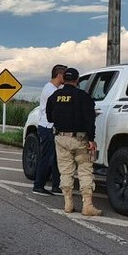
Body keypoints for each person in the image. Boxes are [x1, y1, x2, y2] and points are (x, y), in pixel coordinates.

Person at [45, 67, 102, 216]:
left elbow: (50, 117)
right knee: (85, 171)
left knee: (65, 172)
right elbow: (90, 120)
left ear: (64, 79)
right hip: (80, 140)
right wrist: (92, 139)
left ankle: (68, 204)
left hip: (60, 138)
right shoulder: (83, 96)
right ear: (77, 80)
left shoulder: (55, 96)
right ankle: (88, 206)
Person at [32, 64, 67, 196]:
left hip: (49, 126)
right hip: (47, 127)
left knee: (55, 158)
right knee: (46, 157)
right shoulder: (51, 90)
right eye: (65, 75)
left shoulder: (52, 88)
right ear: (59, 75)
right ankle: (38, 185)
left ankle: (56, 186)